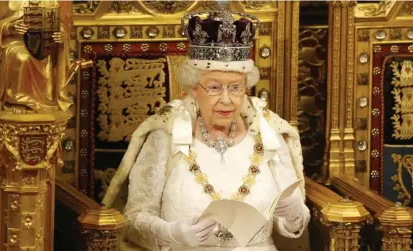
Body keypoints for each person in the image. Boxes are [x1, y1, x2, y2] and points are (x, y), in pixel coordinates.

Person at [102, 9, 310, 251]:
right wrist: (172, 234)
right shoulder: (166, 134)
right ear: (192, 89)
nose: (226, 100)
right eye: (214, 87)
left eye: (235, 88)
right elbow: (134, 217)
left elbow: (294, 221)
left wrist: (295, 212)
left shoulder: (268, 133)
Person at [0, 0, 72, 113]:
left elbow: (59, 24)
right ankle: (18, 100)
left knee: (43, 58)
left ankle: (41, 101)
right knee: (22, 58)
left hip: (43, 44)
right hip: (16, 42)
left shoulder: (51, 2)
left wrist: (60, 34)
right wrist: (10, 27)